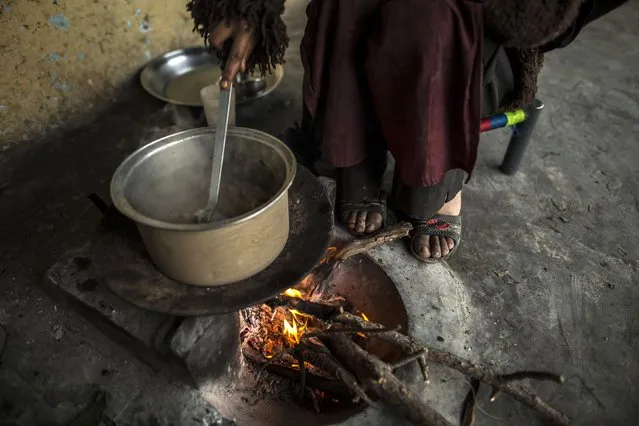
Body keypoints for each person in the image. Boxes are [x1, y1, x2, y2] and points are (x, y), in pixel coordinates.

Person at [188, 0, 628, 262]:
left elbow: (541, 17)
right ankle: (353, 159)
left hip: (481, 36)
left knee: (427, 17)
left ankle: (437, 188)